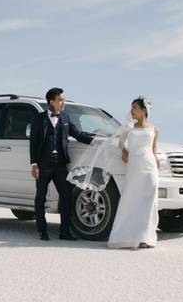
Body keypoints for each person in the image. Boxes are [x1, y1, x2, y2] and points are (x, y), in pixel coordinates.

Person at [66, 96, 160, 249]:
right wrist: (124, 150)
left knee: (150, 200)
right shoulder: (129, 129)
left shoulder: (155, 129)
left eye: (134, 108)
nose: (131, 111)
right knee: (132, 199)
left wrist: (157, 161)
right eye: (131, 108)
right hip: (135, 165)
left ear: (143, 111)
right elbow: (119, 142)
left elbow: (154, 149)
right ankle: (130, 236)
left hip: (150, 167)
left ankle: (146, 236)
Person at [29, 87, 94, 241]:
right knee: (40, 198)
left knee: (66, 196)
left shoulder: (65, 119)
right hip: (43, 164)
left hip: (60, 165)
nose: (63, 102)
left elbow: (78, 134)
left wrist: (96, 142)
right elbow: (33, 142)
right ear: (52, 102)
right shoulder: (39, 118)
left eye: (63, 100)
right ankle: (42, 231)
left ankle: (64, 231)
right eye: (61, 100)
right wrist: (34, 164)